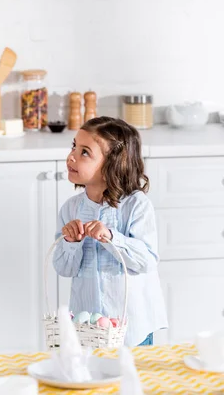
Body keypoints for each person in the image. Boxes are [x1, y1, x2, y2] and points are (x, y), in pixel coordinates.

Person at [53, 116, 167, 346]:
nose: (72, 156)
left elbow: (146, 260)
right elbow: (63, 268)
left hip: (132, 324)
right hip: (89, 328)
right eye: (74, 146)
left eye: (85, 152)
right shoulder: (71, 209)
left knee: (132, 378)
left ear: (111, 165)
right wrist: (71, 242)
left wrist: (111, 237)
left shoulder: (136, 205)